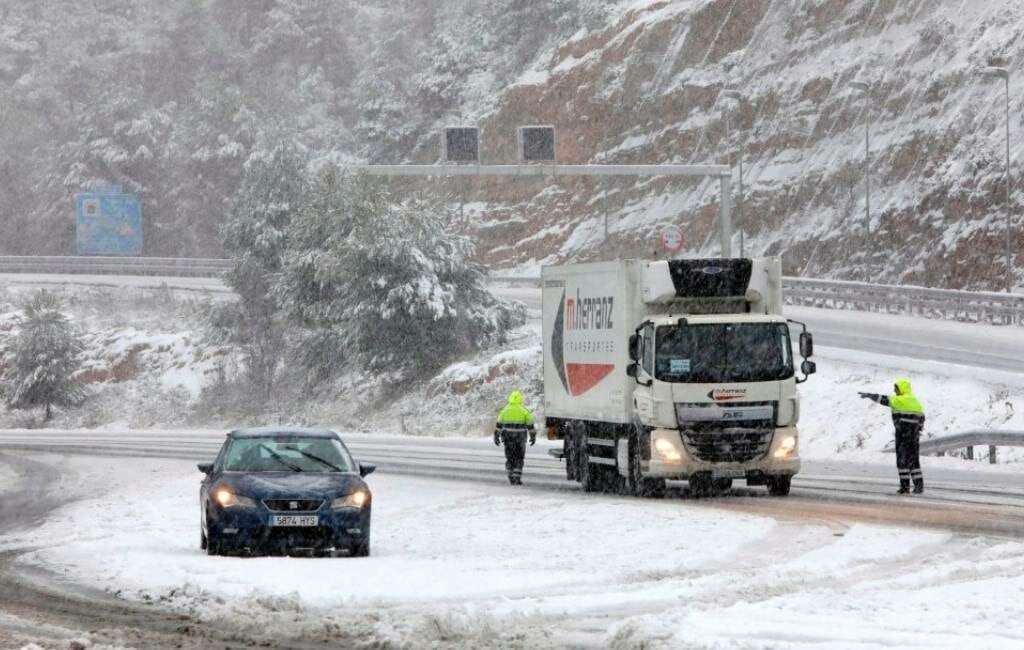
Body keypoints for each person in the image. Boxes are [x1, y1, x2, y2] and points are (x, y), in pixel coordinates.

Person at [859, 378, 926, 494]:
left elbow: (883, 399)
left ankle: (905, 488)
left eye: (896, 388)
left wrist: (869, 395)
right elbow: (922, 419)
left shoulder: (898, 400)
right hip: (914, 437)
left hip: (902, 436)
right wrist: (917, 429)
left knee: (902, 462)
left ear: (902, 389)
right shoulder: (916, 402)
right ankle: (919, 486)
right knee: (914, 462)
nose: (895, 391)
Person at [494, 390, 536, 485]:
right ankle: (517, 477)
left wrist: (496, 436)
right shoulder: (524, 411)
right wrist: (533, 436)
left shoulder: (504, 411)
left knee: (510, 458)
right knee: (519, 458)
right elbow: (530, 425)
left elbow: (498, 425)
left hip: (508, 439)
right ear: (520, 399)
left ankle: (510, 474)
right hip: (520, 439)